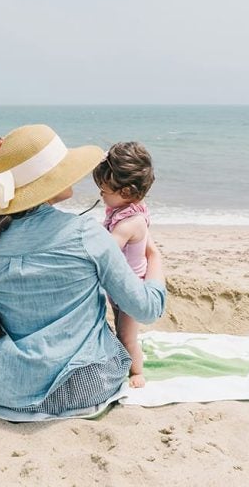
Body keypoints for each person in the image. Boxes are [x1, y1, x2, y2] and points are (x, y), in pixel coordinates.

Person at [0, 124, 165, 421]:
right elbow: (147, 309)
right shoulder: (86, 234)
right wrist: (154, 257)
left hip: (1, 383)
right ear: (46, 182)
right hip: (80, 386)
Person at [92, 142, 155, 388]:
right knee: (120, 325)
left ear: (127, 192)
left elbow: (106, 248)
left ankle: (137, 371)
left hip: (130, 290)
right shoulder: (124, 211)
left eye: (104, 191)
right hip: (119, 288)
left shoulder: (130, 223)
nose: (101, 195)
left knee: (127, 336)